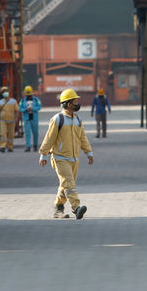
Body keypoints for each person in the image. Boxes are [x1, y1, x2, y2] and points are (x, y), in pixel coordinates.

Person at [39, 88, 94, 219]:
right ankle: (76, 208)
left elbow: (82, 138)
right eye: (75, 101)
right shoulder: (58, 119)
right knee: (69, 183)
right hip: (59, 158)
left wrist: (89, 152)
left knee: (66, 185)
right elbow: (49, 138)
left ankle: (58, 208)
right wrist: (43, 154)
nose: (77, 104)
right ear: (68, 104)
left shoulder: (78, 120)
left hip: (74, 159)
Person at [0, 87, 20, 152]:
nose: (5, 93)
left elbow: (17, 110)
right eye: (4, 92)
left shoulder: (13, 101)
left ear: (8, 92)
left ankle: (10, 147)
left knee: (11, 134)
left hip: (12, 121)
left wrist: (16, 118)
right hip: (3, 121)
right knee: (3, 134)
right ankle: (2, 146)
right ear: (2, 93)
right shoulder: (0, 102)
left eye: (6, 91)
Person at [20, 85, 42, 151]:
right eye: (27, 94)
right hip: (26, 118)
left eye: (29, 94)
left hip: (34, 118)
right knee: (27, 133)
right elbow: (20, 108)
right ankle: (28, 147)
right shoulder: (22, 100)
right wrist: (25, 109)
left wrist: (33, 108)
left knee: (35, 132)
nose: (28, 96)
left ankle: (35, 146)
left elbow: (39, 106)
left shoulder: (36, 99)